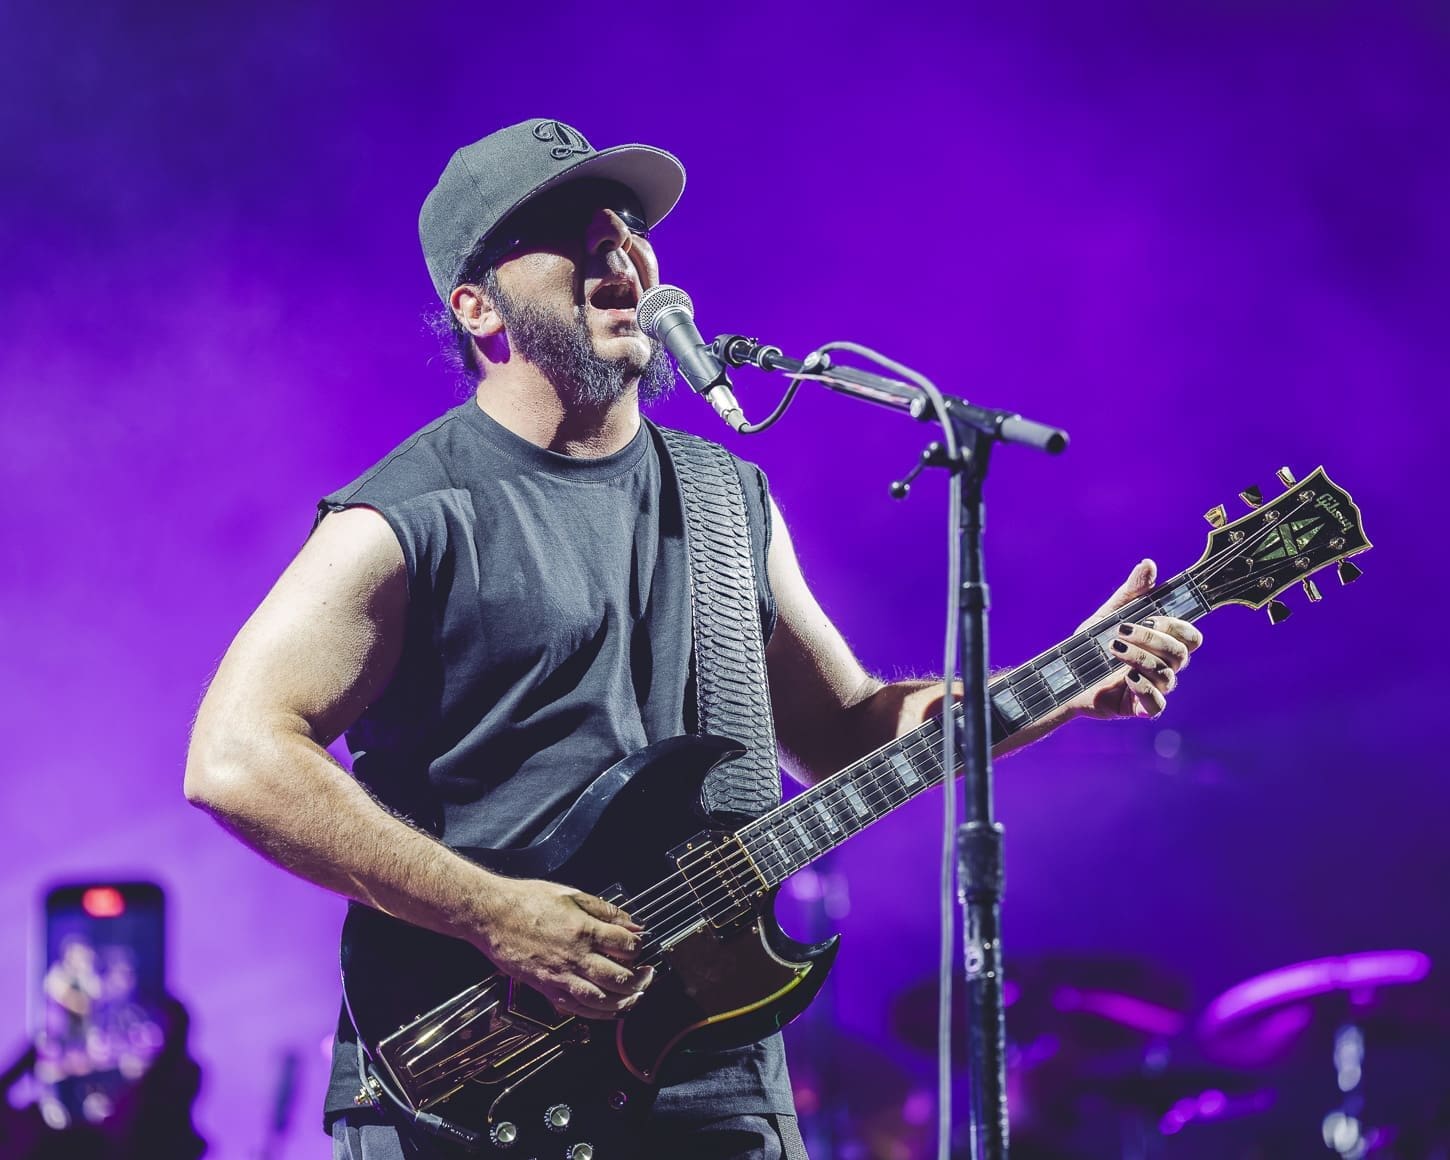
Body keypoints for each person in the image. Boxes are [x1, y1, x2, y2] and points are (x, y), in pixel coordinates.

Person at [183, 118, 1203, 1159]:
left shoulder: (725, 499)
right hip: (469, 1075)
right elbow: (235, 755)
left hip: (716, 1078)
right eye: (567, 234)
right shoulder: (409, 512)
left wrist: (1060, 685)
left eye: (625, 226)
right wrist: (493, 911)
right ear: (476, 303)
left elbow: (849, 731)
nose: (618, 251)